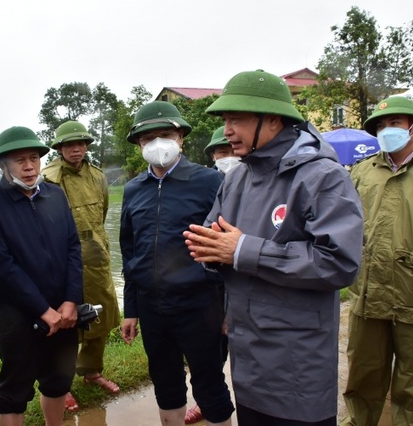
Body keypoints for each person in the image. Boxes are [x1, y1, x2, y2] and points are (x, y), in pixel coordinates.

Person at [183, 69, 363, 426]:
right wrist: (212, 253)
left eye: (237, 119)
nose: (227, 130)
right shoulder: (236, 179)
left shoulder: (321, 176)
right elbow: (214, 240)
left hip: (297, 369)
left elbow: (339, 262)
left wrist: (241, 250)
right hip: (248, 362)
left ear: (273, 120)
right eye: (225, 120)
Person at [120, 101, 234, 426]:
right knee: (166, 385)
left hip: (201, 305)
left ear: (181, 137)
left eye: (166, 134)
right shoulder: (133, 190)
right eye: (148, 137)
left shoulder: (208, 182)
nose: (157, 143)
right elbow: (130, 252)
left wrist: (229, 306)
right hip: (153, 309)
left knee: (210, 385)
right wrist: (132, 309)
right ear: (139, 144)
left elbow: (227, 248)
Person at [341, 96, 413, 426]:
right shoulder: (362, 172)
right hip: (369, 293)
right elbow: (345, 227)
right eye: (381, 125)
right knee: (363, 376)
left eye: (395, 124)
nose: (387, 130)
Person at [0, 126, 83, 426]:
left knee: (59, 379)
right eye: (19, 160)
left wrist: (72, 300)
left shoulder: (56, 195)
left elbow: (73, 247)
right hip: (19, 316)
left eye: (34, 158)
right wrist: (43, 310)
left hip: (64, 311)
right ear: (3, 165)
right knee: (14, 390)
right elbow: (2, 265)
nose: (29, 166)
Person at [41, 120, 121, 411]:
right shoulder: (48, 178)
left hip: (96, 256)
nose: (76, 149)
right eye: (69, 145)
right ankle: (59, 386)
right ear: (60, 148)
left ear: (87, 146)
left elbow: (102, 213)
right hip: (62, 260)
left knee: (99, 314)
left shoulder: (97, 177)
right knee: (65, 321)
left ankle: (91, 372)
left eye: (81, 144)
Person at [184, 126, 238, 425]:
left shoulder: (262, 188)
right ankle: (209, 403)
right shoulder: (210, 188)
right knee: (210, 356)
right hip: (213, 290)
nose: (228, 157)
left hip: (251, 288)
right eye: (221, 152)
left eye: (231, 151)